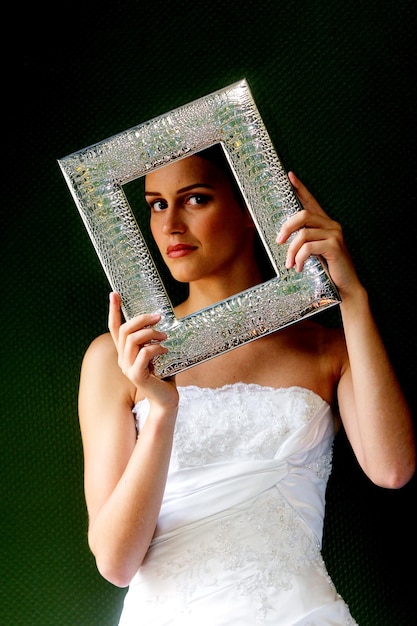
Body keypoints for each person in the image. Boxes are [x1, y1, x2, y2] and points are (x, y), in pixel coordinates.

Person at [78, 145, 415, 625]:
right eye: (156, 204)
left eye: (195, 199)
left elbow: (392, 469)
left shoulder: (327, 349)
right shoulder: (117, 360)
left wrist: (352, 297)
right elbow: (115, 563)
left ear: (251, 204)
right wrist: (162, 413)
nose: (170, 224)